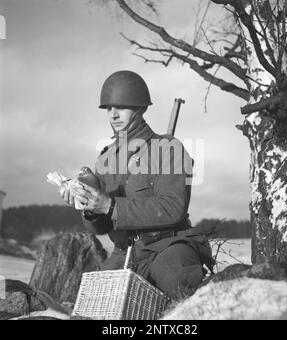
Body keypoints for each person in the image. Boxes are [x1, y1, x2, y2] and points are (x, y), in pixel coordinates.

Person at [61, 70, 215, 301]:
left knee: (178, 283)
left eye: (121, 107)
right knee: (92, 302)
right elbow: (101, 228)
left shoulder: (169, 147)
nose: (113, 114)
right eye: (108, 108)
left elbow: (174, 207)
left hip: (167, 246)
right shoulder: (106, 159)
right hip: (124, 253)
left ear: (140, 108)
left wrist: (111, 206)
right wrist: (90, 206)